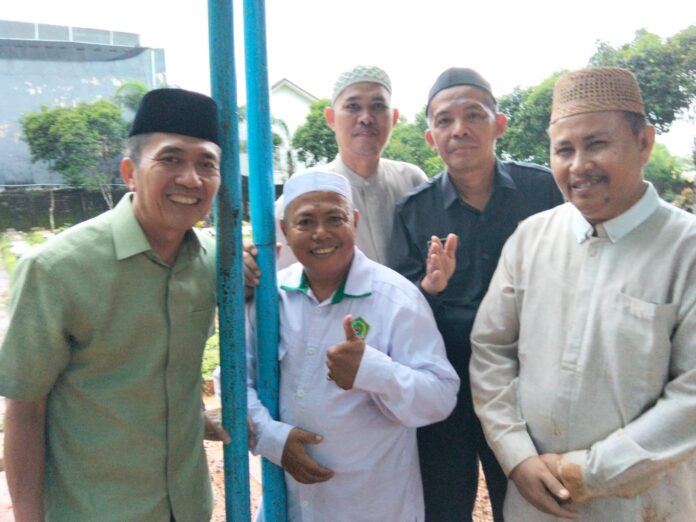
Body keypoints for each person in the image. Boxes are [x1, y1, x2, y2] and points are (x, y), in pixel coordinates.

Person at [470, 67, 696, 521]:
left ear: (644, 143)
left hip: (642, 504)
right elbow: (491, 349)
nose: (578, 166)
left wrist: (587, 473)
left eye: (596, 144)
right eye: (564, 150)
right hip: (534, 498)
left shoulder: (685, 248)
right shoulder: (530, 238)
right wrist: (517, 456)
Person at [0, 88, 229, 521]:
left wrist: (197, 419)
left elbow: (161, 373)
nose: (191, 179)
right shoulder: (56, 269)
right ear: (130, 172)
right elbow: (25, 411)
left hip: (189, 508)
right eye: (171, 159)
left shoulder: (214, 263)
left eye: (206, 164)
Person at [388, 67, 564, 521]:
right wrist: (429, 287)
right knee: (444, 506)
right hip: (447, 386)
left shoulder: (543, 190)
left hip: (528, 382)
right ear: (431, 137)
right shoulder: (414, 210)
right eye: (444, 120)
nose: (459, 129)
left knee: (528, 504)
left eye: (473, 115)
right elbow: (398, 310)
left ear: (498, 124)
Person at [246, 170, 460, 521]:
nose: (321, 233)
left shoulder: (396, 298)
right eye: (305, 222)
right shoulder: (272, 297)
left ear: (354, 222)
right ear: (285, 230)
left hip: (373, 506)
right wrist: (272, 439)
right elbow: (235, 379)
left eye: (335, 219)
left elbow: (441, 395)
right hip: (289, 506)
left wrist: (374, 372)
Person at [244, 64, 427, 282]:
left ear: (394, 118)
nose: (366, 118)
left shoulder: (412, 181)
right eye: (353, 106)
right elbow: (275, 277)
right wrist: (248, 263)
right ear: (331, 118)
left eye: (378, 106)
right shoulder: (304, 196)